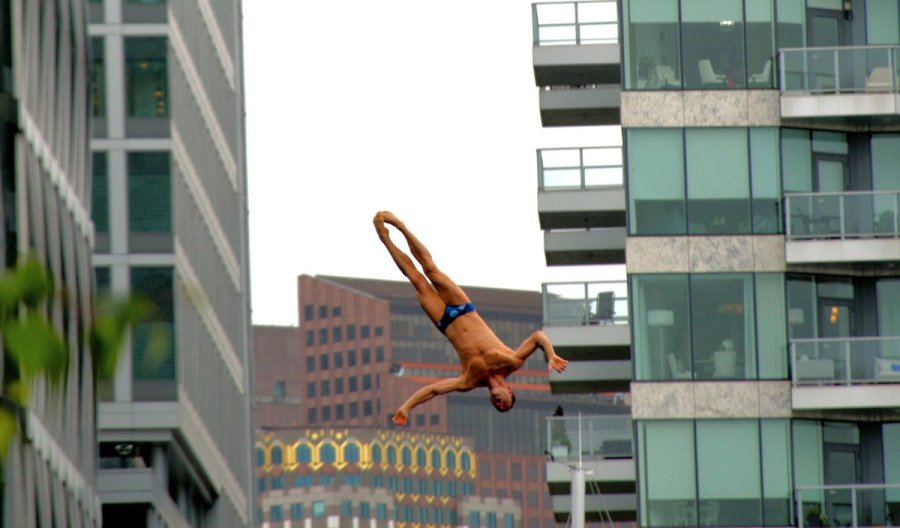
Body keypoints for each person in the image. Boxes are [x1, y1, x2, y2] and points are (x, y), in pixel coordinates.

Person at [373, 211, 568, 427]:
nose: (499, 404)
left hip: (445, 322)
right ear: (509, 390)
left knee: (417, 280)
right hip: (463, 309)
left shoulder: (469, 381)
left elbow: (434, 390)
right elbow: (539, 337)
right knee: (431, 270)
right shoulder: (512, 361)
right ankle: (401, 226)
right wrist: (551, 355)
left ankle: (385, 238)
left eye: (497, 407)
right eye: (504, 403)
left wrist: (406, 407)